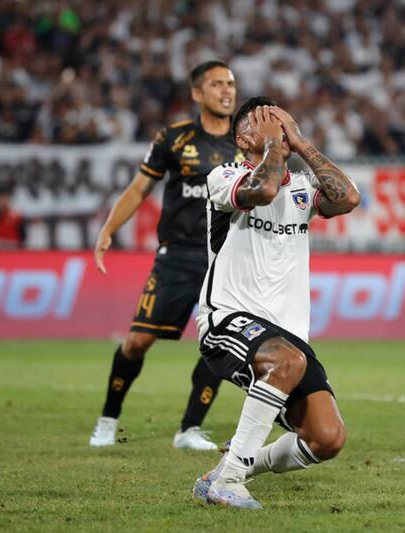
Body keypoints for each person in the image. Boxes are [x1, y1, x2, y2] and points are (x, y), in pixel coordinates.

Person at [190, 97, 360, 508]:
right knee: (286, 361)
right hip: (227, 319)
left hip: (288, 339)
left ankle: (235, 463)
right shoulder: (224, 176)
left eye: (281, 122)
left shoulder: (303, 190)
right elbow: (264, 189)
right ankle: (229, 481)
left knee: (327, 438)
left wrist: (300, 144)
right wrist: (272, 147)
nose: (276, 129)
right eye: (264, 122)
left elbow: (349, 199)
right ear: (242, 136)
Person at [89, 60, 241, 450]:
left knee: (220, 345)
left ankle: (189, 429)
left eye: (231, 84)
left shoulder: (245, 144)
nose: (227, 90)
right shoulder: (173, 138)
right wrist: (108, 229)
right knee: (138, 341)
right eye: (217, 84)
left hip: (224, 258)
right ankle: (107, 420)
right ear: (197, 93)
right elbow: (140, 189)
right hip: (176, 256)